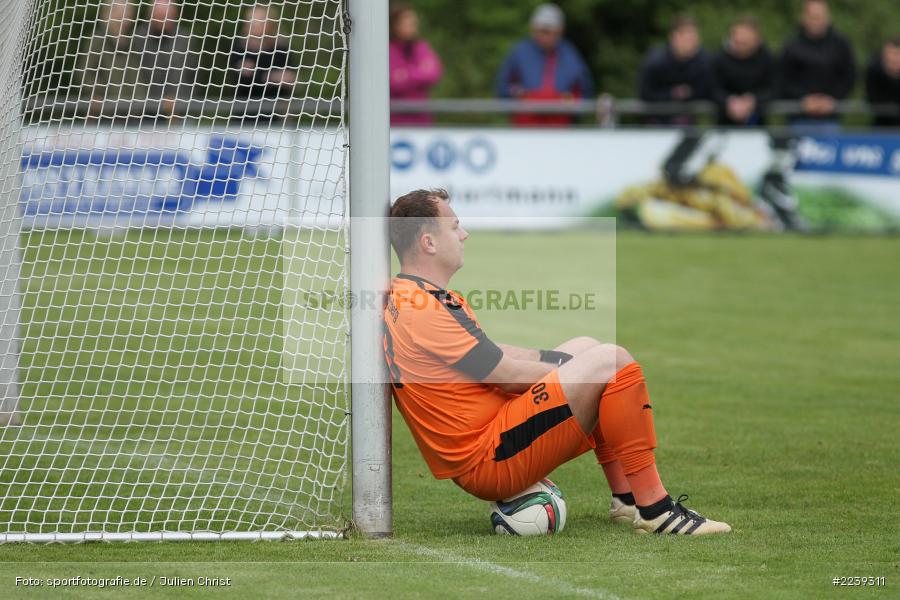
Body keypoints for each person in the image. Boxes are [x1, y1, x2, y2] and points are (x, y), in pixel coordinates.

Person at [383, 189, 732, 536]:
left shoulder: (413, 293)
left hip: (492, 437)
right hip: (488, 457)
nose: (464, 234)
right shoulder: (423, 308)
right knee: (611, 363)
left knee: (587, 348)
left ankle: (626, 499)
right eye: (455, 226)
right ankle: (656, 511)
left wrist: (571, 362)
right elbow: (505, 375)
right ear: (429, 242)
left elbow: (489, 352)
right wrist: (578, 374)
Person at [496, 3, 593, 127]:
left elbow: (583, 89)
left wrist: (570, 103)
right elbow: (504, 86)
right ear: (533, 30)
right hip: (525, 124)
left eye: (549, 31)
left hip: (559, 124)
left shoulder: (570, 54)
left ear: (559, 32)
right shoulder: (520, 52)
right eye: (542, 31)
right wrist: (519, 95)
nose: (545, 36)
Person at [778, 0, 856, 129]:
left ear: (828, 18)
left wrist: (832, 99)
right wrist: (802, 100)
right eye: (812, 17)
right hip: (797, 117)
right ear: (803, 18)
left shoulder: (841, 44)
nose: (816, 21)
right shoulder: (790, 45)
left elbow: (849, 76)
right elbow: (782, 79)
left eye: (819, 17)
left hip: (831, 118)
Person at [638, 15, 713, 125]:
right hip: (657, 124)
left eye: (694, 39)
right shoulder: (656, 61)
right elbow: (644, 93)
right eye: (688, 39)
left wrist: (690, 94)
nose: (693, 43)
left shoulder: (703, 61)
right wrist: (672, 94)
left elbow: (709, 92)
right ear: (674, 37)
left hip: (689, 125)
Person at [131, 0, 196, 119]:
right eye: (160, 16)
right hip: (143, 109)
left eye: (168, 16)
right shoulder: (138, 38)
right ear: (151, 16)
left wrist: (177, 98)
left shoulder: (185, 39)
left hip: (179, 110)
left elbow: (190, 75)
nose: (164, 20)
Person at [77, 0, 139, 117]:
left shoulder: (133, 40)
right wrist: (95, 94)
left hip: (134, 111)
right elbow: (85, 72)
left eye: (128, 11)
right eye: (122, 11)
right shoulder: (97, 40)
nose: (126, 16)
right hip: (106, 112)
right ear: (109, 13)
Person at [711, 16, 776, 127]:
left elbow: (774, 88)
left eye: (745, 40)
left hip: (758, 124)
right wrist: (729, 101)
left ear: (757, 39)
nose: (740, 41)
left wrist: (753, 100)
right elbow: (712, 88)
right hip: (724, 125)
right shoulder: (719, 58)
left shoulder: (767, 58)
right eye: (737, 37)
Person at [389, 5, 443, 126]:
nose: (412, 27)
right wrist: (420, 72)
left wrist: (405, 74)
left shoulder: (421, 47)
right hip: (394, 121)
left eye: (413, 23)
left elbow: (434, 74)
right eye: (407, 24)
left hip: (421, 121)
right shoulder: (388, 50)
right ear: (395, 26)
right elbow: (393, 82)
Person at [230, 4, 297, 102]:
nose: (255, 25)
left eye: (260, 20)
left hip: (276, 111)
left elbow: (290, 79)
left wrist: (265, 77)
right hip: (245, 111)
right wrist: (273, 77)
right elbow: (249, 79)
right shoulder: (239, 51)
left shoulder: (281, 50)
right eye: (252, 22)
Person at [865, 37, 900, 128]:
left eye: (897, 54)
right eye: (891, 54)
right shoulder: (874, 70)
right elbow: (871, 98)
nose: (894, 58)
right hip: (881, 124)